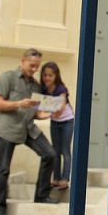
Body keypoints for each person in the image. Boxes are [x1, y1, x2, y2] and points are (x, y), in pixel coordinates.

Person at [0, 48, 59, 215]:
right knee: (4, 169)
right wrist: (19, 103)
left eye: (37, 66)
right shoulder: (8, 78)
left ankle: (42, 195)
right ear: (23, 61)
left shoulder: (36, 85)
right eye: (31, 65)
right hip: (9, 128)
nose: (34, 69)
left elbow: (35, 111)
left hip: (29, 127)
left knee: (50, 154)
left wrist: (50, 114)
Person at [41, 62, 74, 190]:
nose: (47, 78)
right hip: (55, 122)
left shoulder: (60, 89)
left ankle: (65, 179)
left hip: (67, 121)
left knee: (65, 150)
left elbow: (60, 107)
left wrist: (48, 110)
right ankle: (56, 178)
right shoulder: (44, 90)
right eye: (45, 75)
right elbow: (39, 103)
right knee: (55, 150)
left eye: (50, 75)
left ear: (56, 76)